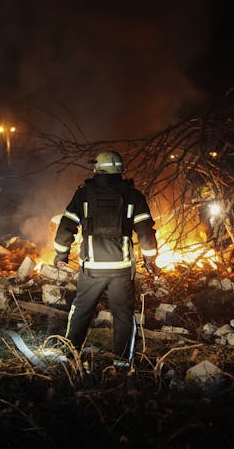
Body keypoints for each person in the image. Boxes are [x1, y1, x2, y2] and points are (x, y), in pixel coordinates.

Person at [53, 150, 159, 368]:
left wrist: (61, 255)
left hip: (91, 268)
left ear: (97, 169)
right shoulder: (133, 196)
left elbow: (66, 226)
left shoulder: (83, 195)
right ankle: (122, 364)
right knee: (123, 316)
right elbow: (146, 231)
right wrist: (150, 260)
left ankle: (70, 355)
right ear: (120, 170)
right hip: (121, 271)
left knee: (81, 311)